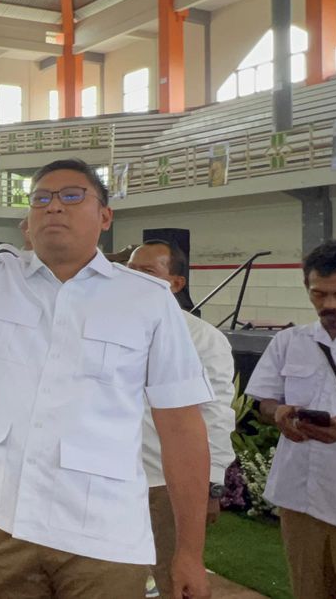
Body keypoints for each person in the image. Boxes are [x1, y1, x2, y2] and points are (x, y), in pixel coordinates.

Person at [0, 125, 214, 599]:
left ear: (105, 216)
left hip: (102, 533)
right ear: (27, 219)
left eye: (71, 196)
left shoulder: (146, 301)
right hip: (5, 520)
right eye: (40, 199)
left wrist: (189, 551)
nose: (54, 206)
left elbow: (182, 426)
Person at [245, 239, 336, 599]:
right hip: (299, 495)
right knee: (307, 588)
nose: (329, 305)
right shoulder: (291, 341)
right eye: (318, 293)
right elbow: (263, 400)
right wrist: (276, 412)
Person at [127, 241, 237, 599]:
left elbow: (217, 415)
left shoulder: (204, 339)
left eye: (146, 272)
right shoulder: (113, 328)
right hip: (112, 477)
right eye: (129, 270)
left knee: (172, 578)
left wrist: (212, 484)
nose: (133, 279)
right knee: (113, 577)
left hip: (164, 482)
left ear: (175, 283)